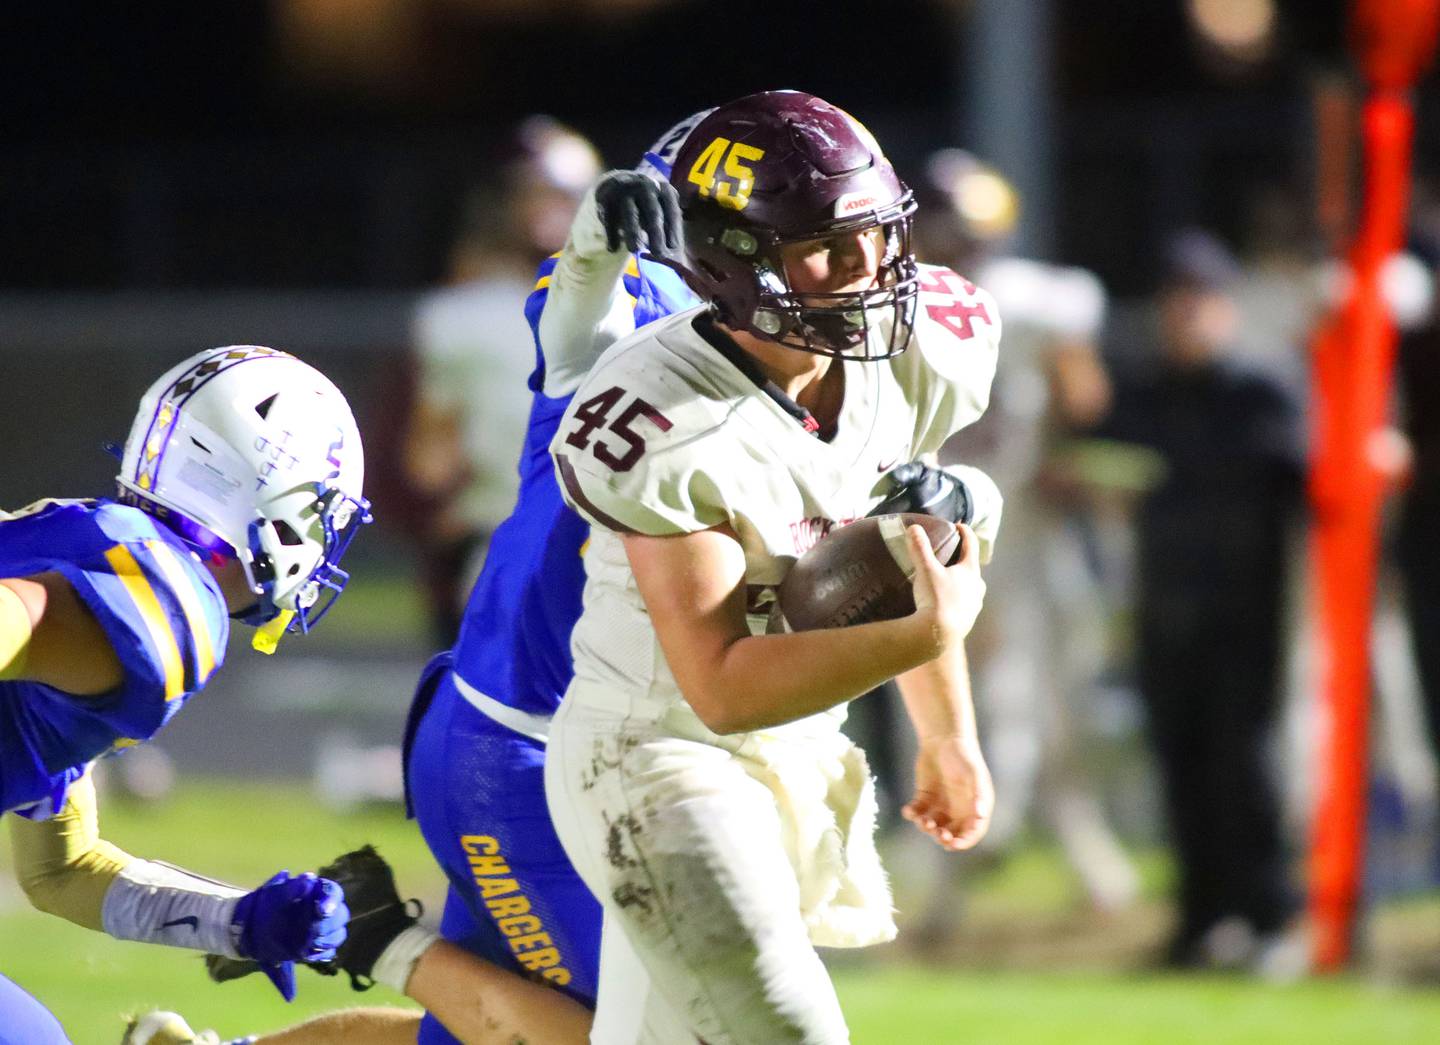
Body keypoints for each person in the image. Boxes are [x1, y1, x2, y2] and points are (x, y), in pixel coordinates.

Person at [544, 91, 1000, 1042]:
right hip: (655, 756)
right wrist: (925, 630)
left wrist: (948, 732)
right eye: (825, 250)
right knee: (791, 1031)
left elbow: (893, 551)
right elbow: (721, 685)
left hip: (787, 749)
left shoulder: (920, 355)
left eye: (876, 236)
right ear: (733, 264)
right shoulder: (662, 412)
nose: (866, 270)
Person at [1, 346, 366, 1043]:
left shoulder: (97, 556)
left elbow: (61, 868)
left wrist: (238, 920)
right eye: (322, 513)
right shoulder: (174, 607)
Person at [912, 149, 1139, 915]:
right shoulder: (894, 304)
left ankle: (1060, 846)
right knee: (960, 694)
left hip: (1016, 518)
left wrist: (1060, 453)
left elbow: (1085, 393)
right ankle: (966, 862)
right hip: (933, 529)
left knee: (1055, 691)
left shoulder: (1033, 299)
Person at [1090, 230, 1306, 973]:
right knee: (1179, 768)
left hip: (1246, 613)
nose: (1186, 318)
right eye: (1176, 303)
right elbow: (1095, 450)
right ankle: (1199, 919)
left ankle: (1271, 916)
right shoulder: (1147, 391)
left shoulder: (1262, 388)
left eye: (1199, 302)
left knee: (1245, 770)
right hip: (1166, 610)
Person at [403, 117, 602, 646]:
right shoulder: (456, 316)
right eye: (534, 194)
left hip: (613, 550)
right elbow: (426, 465)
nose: (547, 208)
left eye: (560, 195)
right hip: (502, 546)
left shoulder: (634, 305)